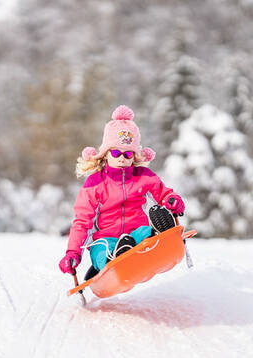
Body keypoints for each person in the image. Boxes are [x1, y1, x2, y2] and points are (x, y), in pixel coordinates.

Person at [58, 105, 185, 280]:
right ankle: (116, 257)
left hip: (137, 233)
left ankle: (159, 238)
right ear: (106, 154)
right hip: (106, 237)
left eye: (128, 154)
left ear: (134, 156)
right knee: (100, 250)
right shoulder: (95, 183)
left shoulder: (143, 176)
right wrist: (73, 252)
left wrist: (171, 199)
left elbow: (163, 194)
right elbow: (82, 221)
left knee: (145, 234)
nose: (121, 158)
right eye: (116, 152)